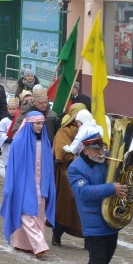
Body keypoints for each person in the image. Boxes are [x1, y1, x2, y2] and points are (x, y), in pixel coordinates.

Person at [68, 133, 128, 264]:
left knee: (102, 259)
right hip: (93, 219)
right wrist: (112, 188)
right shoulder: (75, 168)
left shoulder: (107, 159)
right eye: (96, 149)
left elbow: (121, 176)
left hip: (110, 218)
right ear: (85, 150)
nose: (102, 151)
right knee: (99, 263)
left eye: (102, 147)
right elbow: (83, 192)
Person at [1, 111, 56, 259]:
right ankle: (39, 245)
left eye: (42, 123)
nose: (40, 126)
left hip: (41, 185)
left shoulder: (45, 142)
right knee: (27, 215)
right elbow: (14, 168)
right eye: (37, 123)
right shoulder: (19, 142)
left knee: (39, 215)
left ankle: (23, 244)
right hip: (24, 186)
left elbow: (48, 166)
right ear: (30, 123)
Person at [50, 103, 88, 247]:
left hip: (87, 174)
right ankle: (57, 234)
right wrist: (80, 161)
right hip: (68, 173)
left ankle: (88, 239)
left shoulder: (89, 130)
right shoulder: (65, 131)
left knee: (88, 207)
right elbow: (62, 153)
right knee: (65, 206)